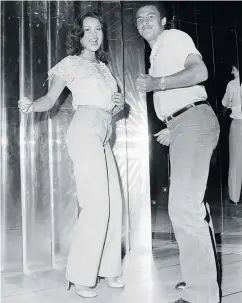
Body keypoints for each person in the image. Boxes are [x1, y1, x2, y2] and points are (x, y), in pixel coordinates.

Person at [18, 12, 125, 298]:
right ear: (78, 36)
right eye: (87, 29)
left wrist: (119, 104)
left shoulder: (104, 68)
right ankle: (80, 276)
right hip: (85, 131)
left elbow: (113, 108)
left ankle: (108, 267)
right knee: (96, 205)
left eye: (98, 29)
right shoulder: (71, 64)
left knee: (114, 203)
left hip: (104, 133)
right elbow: (51, 98)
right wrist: (33, 106)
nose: (94, 34)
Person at [135, 2, 220, 303]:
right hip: (184, 123)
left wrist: (157, 84)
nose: (144, 22)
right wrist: (173, 125)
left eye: (150, 17)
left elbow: (199, 72)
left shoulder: (173, 37)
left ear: (164, 20)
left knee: (184, 208)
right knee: (191, 207)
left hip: (193, 120)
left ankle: (203, 295)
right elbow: (180, 95)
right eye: (139, 19)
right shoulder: (157, 53)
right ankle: (200, 277)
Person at [221, 63, 242, 204]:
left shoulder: (232, 84)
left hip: (238, 124)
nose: (231, 71)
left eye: (233, 69)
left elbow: (226, 103)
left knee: (235, 161)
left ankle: (234, 197)